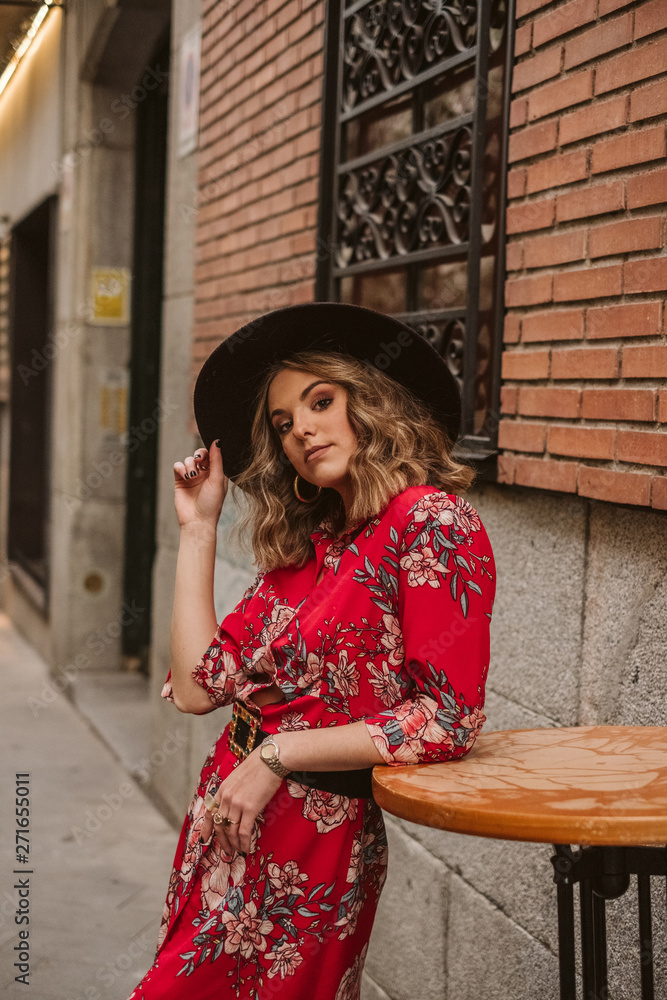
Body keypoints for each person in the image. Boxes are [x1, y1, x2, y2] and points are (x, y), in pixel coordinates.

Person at [127, 302, 495, 1000]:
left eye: (320, 402)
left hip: (313, 843)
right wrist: (198, 528)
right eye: (282, 422)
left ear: (370, 402)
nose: (300, 429)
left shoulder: (429, 521)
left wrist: (277, 754)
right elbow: (201, 688)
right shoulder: (312, 543)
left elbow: (447, 720)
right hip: (228, 812)